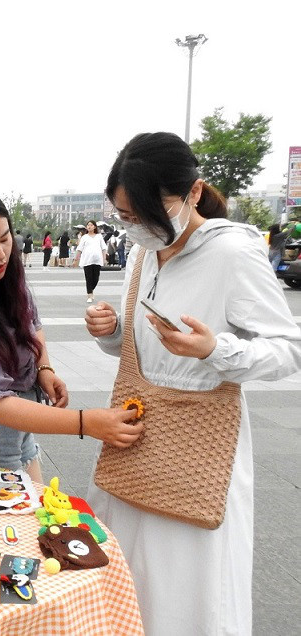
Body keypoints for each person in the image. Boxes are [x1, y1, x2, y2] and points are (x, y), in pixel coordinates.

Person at [84, 132, 301, 636]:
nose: (135, 227)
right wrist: (114, 332)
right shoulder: (142, 253)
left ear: (194, 193)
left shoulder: (231, 254)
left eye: (145, 212)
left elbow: (289, 348)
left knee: (188, 591)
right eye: (124, 216)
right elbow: (143, 345)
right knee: (128, 578)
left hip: (199, 451)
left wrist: (215, 350)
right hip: (135, 442)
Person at [0, 187, 142, 483]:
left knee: (34, 511)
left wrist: (43, 367)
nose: (0, 254)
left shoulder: (6, 275)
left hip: (18, 420)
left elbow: (31, 324)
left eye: (5, 239)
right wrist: (85, 423)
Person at [72, 220, 107, 302]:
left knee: (96, 278)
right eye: (88, 225)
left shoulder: (99, 237)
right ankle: (90, 295)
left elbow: (104, 248)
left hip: (97, 260)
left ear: (94, 227)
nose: (89, 226)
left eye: (91, 225)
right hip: (87, 261)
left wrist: (104, 258)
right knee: (88, 278)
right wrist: (75, 260)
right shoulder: (84, 237)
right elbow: (79, 249)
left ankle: (91, 290)